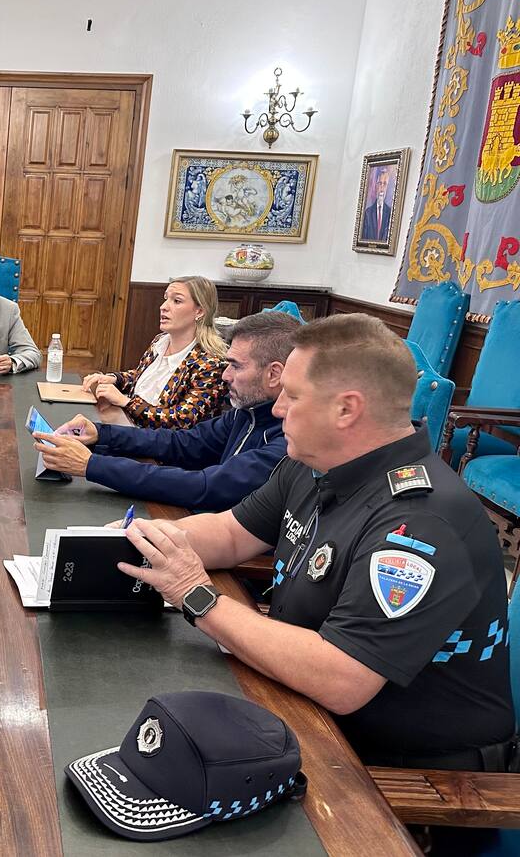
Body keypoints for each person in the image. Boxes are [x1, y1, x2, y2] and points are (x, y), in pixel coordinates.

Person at [111, 313, 515, 774]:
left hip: (407, 767)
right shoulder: (312, 462)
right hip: (306, 709)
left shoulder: (422, 520)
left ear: (346, 409)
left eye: (293, 395)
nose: (277, 408)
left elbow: (343, 678)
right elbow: (229, 532)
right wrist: (131, 540)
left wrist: (198, 597)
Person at [33, 311, 299, 510]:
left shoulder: (290, 440)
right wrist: (100, 436)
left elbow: (205, 487)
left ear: (274, 374)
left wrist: (91, 465)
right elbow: (181, 443)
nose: (225, 376)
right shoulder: (248, 413)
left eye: (236, 366)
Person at [81, 276, 228, 429]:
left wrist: (126, 402)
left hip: (161, 447)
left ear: (199, 311)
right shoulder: (161, 341)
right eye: (166, 299)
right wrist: (114, 379)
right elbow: (142, 378)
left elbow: (182, 420)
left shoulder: (212, 363)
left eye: (176, 301)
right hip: (129, 427)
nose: (163, 307)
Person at [361, 168, 392, 242]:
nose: (382, 188)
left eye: (384, 184)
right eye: (379, 183)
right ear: (376, 186)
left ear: (387, 187)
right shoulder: (367, 213)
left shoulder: (390, 213)